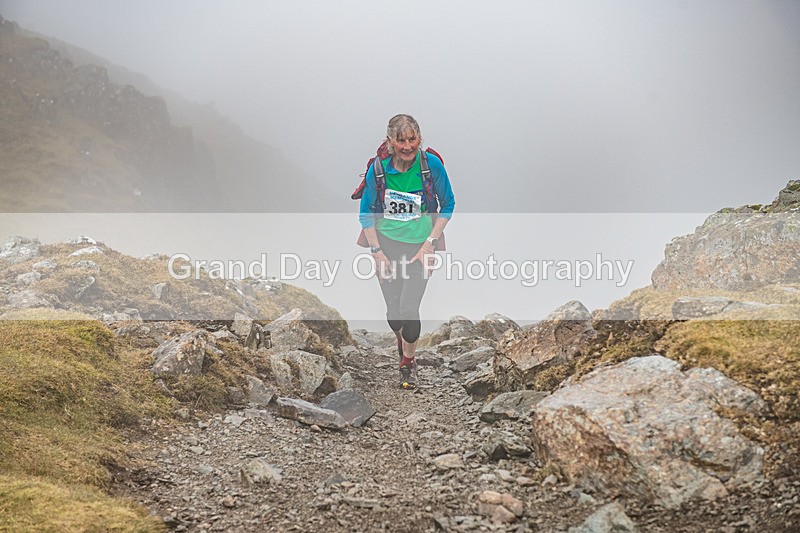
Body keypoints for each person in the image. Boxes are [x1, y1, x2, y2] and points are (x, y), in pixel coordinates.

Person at [358, 114, 455, 389]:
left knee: (409, 309)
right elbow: (366, 214)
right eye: (400, 140)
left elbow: (448, 204)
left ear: (419, 139)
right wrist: (376, 251)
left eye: (412, 139)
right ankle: (402, 344)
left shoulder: (430, 165)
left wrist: (430, 244)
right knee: (394, 313)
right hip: (385, 245)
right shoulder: (378, 169)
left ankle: (408, 363)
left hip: (419, 247)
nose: (407, 146)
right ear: (390, 141)